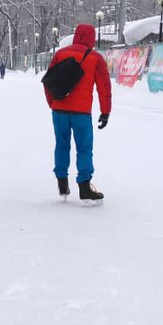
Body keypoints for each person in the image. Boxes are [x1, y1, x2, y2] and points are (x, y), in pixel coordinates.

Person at [45, 23, 111, 201]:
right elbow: (104, 87)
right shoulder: (95, 58)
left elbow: (48, 80)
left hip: (59, 111)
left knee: (62, 144)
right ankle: (84, 187)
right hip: (81, 113)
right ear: (92, 39)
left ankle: (62, 184)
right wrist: (105, 112)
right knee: (84, 148)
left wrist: (52, 103)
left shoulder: (60, 54)